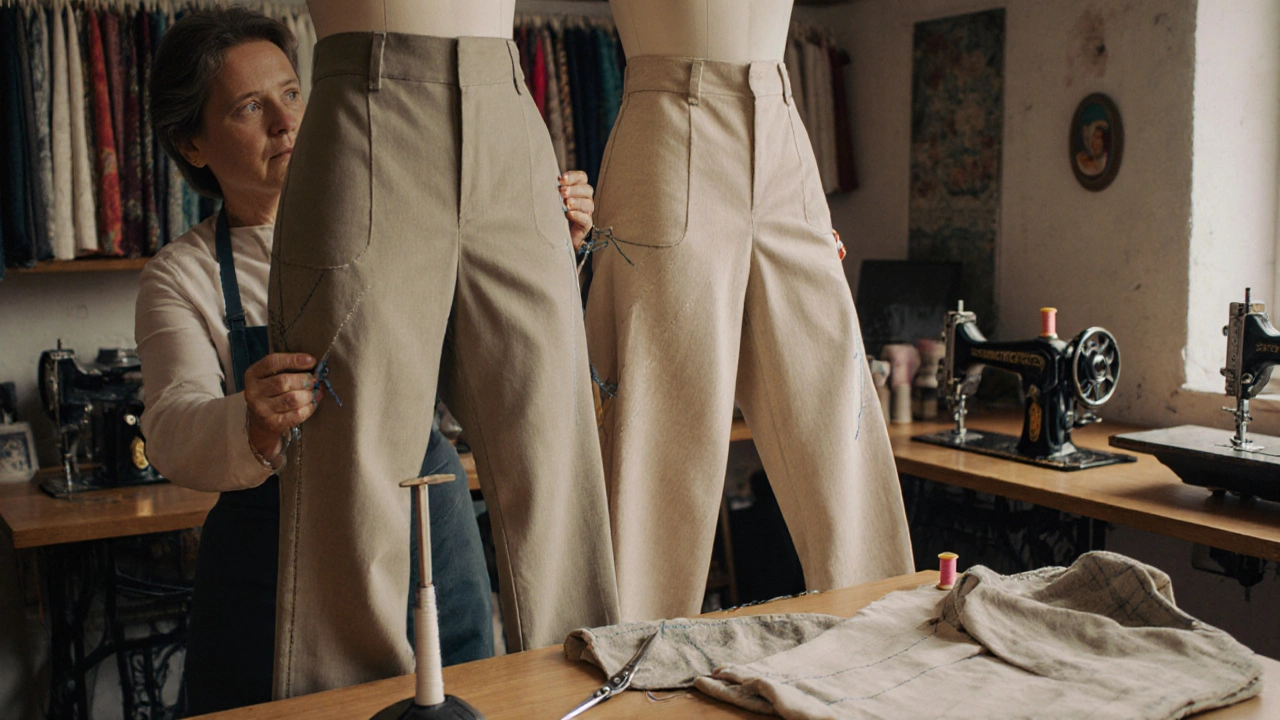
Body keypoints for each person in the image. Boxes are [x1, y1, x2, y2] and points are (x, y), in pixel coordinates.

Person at [138, 8, 599, 712]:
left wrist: (538, 254)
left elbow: (479, 365)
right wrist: (250, 422)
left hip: (429, 531)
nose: (285, 124)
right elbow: (169, 431)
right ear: (192, 144)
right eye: (248, 108)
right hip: (274, 560)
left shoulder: (410, 229)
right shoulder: (184, 274)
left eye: (292, 94)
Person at [266, 0, 619, 697]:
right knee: (354, 477)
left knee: (555, 460)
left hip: (510, 113)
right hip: (368, 113)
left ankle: (585, 705)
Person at [582, 0, 914, 622]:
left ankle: (890, 668)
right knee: (656, 441)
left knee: (841, 425)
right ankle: (628, 686)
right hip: (668, 123)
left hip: (784, 123)